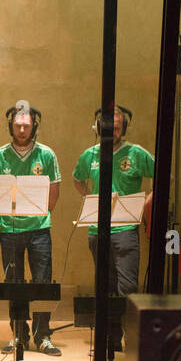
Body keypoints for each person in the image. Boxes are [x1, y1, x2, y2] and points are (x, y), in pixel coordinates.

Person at [0, 101, 61, 356]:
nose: (22, 130)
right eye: (18, 125)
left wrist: (41, 212)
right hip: (9, 229)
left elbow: (54, 192)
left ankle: (43, 335)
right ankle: (18, 333)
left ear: (34, 127)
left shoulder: (47, 154)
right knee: (14, 282)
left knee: (42, 282)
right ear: (11, 126)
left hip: (39, 229)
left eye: (27, 126)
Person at [72, 104, 155, 297]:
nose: (113, 132)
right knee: (104, 287)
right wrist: (89, 198)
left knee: (127, 288)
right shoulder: (90, 154)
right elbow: (77, 178)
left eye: (117, 127)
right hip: (97, 229)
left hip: (125, 230)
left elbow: (166, 178)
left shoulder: (137, 153)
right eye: (109, 127)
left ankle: (126, 326)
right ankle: (110, 328)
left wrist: (144, 205)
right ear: (99, 128)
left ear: (124, 128)